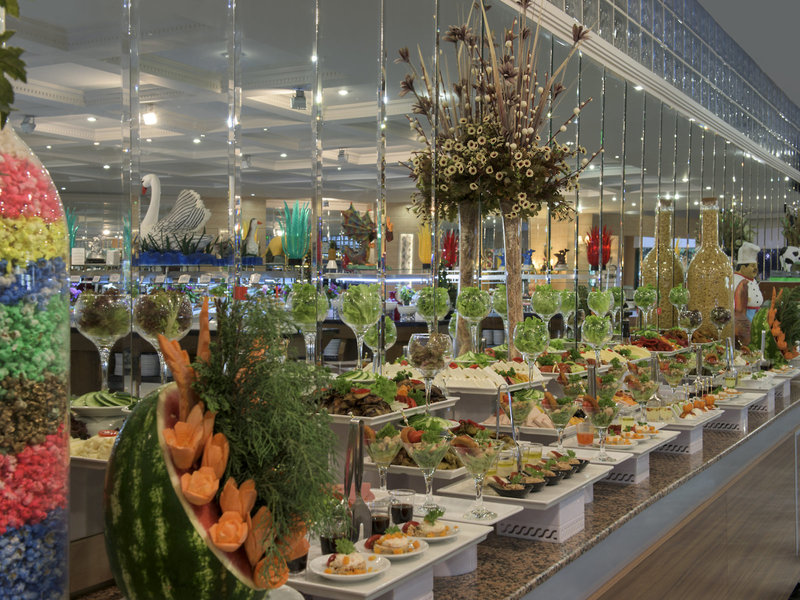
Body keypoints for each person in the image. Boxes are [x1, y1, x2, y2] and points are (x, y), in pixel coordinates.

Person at [733, 242, 764, 346]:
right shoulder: (736, 280)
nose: (755, 269)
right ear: (743, 267)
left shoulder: (752, 280)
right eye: (752, 266)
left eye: (756, 266)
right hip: (744, 317)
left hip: (756, 315)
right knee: (746, 340)